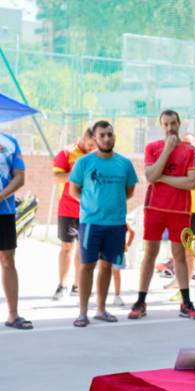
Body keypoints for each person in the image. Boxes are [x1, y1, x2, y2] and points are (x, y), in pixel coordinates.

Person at [129, 109, 195, 320]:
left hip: (179, 209)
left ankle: (186, 302)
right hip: (155, 208)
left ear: (179, 124)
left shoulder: (191, 151)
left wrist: (163, 178)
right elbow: (151, 176)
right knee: (150, 253)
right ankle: (141, 301)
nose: (170, 127)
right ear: (161, 126)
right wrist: (167, 150)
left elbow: (191, 183)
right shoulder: (153, 148)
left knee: (179, 254)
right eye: (166, 124)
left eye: (173, 123)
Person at [69, 121, 138, 326]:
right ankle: (82, 313)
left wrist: (111, 204)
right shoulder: (84, 163)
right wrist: (91, 205)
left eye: (110, 134)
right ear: (95, 139)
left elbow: (129, 192)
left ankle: (101, 310)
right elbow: (74, 190)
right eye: (102, 135)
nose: (107, 139)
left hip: (115, 224)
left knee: (107, 266)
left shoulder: (125, 164)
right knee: (87, 266)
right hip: (90, 223)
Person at [52, 129, 96, 300]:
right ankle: (61, 285)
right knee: (66, 246)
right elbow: (56, 178)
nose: (92, 148)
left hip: (89, 210)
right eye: (91, 144)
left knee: (82, 248)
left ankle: (77, 286)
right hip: (67, 208)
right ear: (84, 137)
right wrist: (76, 174)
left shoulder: (98, 156)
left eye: (95, 145)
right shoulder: (66, 153)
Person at [0, 132, 33, 330]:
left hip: (4, 211)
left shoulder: (10, 142)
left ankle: (13, 315)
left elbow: (19, 178)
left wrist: (1, 195)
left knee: (7, 260)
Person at [111, 222, 135, 307]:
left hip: (118, 250)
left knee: (115, 273)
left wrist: (128, 244)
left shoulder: (121, 221)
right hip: (108, 249)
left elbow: (132, 232)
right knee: (107, 273)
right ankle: (113, 296)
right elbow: (132, 232)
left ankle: (117, 296)